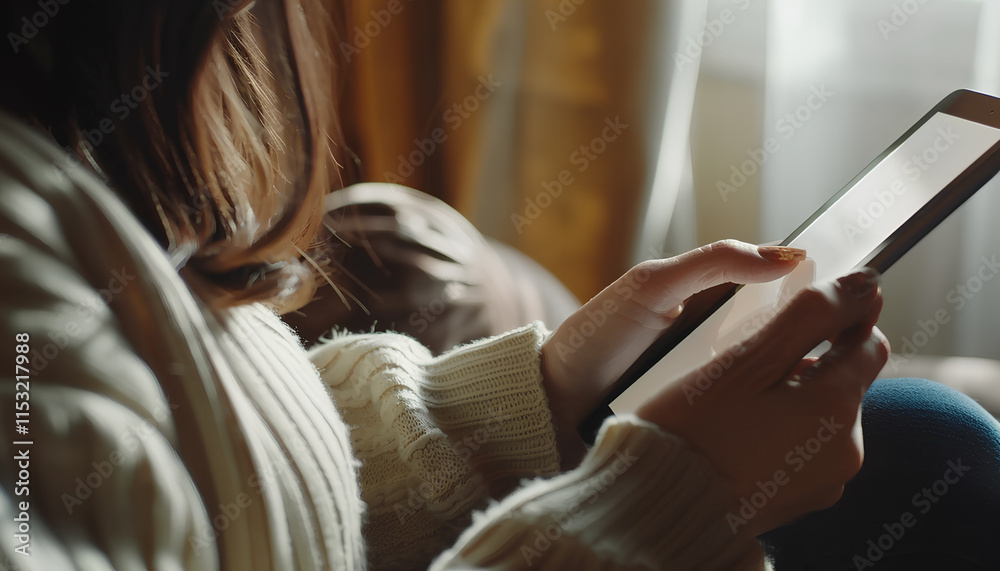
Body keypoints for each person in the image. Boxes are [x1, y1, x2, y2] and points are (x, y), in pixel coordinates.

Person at [1, 1, 997, 569]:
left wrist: (536, 400)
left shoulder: (67, 132)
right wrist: (667, 500)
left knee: (924, 435)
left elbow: (223, 490)